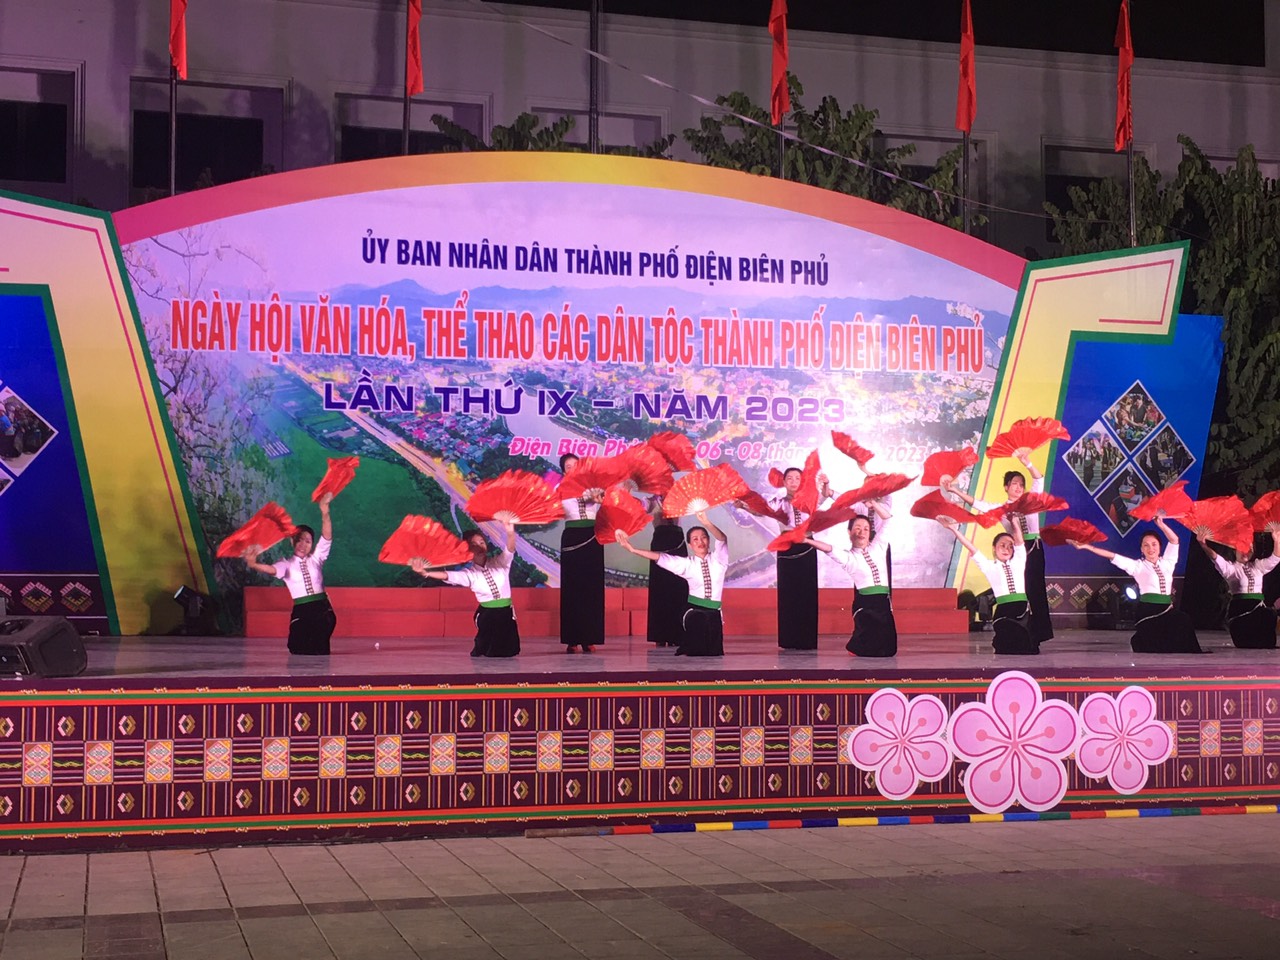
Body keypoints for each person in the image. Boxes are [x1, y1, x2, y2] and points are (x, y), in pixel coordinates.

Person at [944, 451, 1053, 643]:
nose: (1019, 487)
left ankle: (1041, 631)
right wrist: (955, 491)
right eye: (1015, 484)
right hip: (1015, 550)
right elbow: (977, 504)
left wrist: (1027, 463)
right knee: (1020, 588)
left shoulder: (1031, 500)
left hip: (1033, 547)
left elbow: (1039, 480)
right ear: (1006, 487)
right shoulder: (1001, 509)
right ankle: (1020, 626)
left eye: (1021, 484)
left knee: (1036, 588)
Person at [1070, 514, 1204, 653]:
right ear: (1141, 549)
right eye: (1146, 545)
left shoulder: (1168, 563)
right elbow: (1112, 555)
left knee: (1183, 620)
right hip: (1148, 610)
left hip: (1167, 609)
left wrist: (1161, 525)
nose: (1150, 548)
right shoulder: (1137, 566)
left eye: (1154, 544)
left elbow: (1174, 540)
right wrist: (1087, 547)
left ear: (1160, 546)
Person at [617, 511, 727, 656]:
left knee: (713, 650)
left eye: (703, 538)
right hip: (693, 611)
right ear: (689, 545)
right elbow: (660, 557)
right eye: (695, 539)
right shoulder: (687, 564)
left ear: (708, 541)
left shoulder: (719, 560)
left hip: (714, 612)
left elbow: (722, 538)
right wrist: (632, 549)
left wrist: (706, 522)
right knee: (698, 627)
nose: (700, 542)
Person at [243, 493, 336, 656]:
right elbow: (272, 569)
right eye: (299, 540)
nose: (303, 544)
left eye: (307, 541)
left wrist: (325, 511)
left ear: (312, 544)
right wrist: (254, 564)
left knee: (320, 649)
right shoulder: (286, 564)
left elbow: (327, 536)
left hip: (322, 610)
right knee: (297, 648)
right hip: (302, 610)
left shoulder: (316, 559)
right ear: (292, 541)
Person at [412, 520, 520, 658]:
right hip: (488, 615)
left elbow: (510, 549)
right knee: (488, 650)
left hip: (506, 612)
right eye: (473, 545)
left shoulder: (500, 563)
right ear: (467, 550)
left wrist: (510, 532)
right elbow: (449, 575)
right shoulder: (470, 574)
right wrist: (426, 573)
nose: (479, 546)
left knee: (509, 649)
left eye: (481, 542)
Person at [807, 500, 896, 657]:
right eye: (857, 528)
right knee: (863, 646)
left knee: (889, 650)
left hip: (883, 603)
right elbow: (829, 549)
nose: (862, 532)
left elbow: (888, 519)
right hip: (865, 604)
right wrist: (807, 540)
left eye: (866, 529)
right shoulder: (848, 557)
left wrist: (874, 503)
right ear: (849, 532)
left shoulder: (879, 547)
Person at [938, 516, 1038, 654]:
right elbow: (971, 548)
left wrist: (1014, 522)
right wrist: (954, 530)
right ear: (994, 548)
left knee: (1028, 647)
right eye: (1002, 545)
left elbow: (1020, 542)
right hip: (1004, 611)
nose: (1007, 549)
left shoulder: (1019, 561)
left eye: (1010, 546)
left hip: (1021, 610)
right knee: (1006, 647)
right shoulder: (989, 566)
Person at [767, 467, 831, 650]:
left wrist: (826, 484)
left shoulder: (811, 500)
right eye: (790, 478)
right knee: (787, 594)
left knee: (807, 593)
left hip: (807, 545)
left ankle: (807, 640)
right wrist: (744, 506)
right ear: (784, 482)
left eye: (797, 478)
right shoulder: (777, 502)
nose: (794, 481)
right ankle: (788, 640)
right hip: (786, 546)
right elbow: (760, 510)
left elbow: (825, 495)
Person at [1196, 527, 1279, 649]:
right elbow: (1215, 558)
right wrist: (1203, 544)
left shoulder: (1257, 566)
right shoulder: (1231, 569)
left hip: (1258, 609)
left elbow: (1276, 558)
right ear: (1235, 550)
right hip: (1241, 608)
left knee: (1267, 618)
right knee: (1248, 638)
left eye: (1249, 549)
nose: (1246, 552)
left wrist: (1277, 540)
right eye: (1242, 548)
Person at [558, 453, 604, 653]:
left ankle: (589, 638)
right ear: (564, 471)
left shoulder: (594, 486)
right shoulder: (560, 489)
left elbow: (604, 500)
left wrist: (599, 497)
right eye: (568, 466)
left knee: (592, 587)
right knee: (572, 588)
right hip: (572, 536)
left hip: (593, 536)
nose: (573, 469)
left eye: (576, 465)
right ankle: (572, 639)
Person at [644, 494, 686, 647]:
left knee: (678, 587)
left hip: (678, 541)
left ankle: (677, 634)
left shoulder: (680, 498)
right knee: (660, 588)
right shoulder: (650, 501)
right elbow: (641, 510)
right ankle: (660, 634)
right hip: (660, 541)